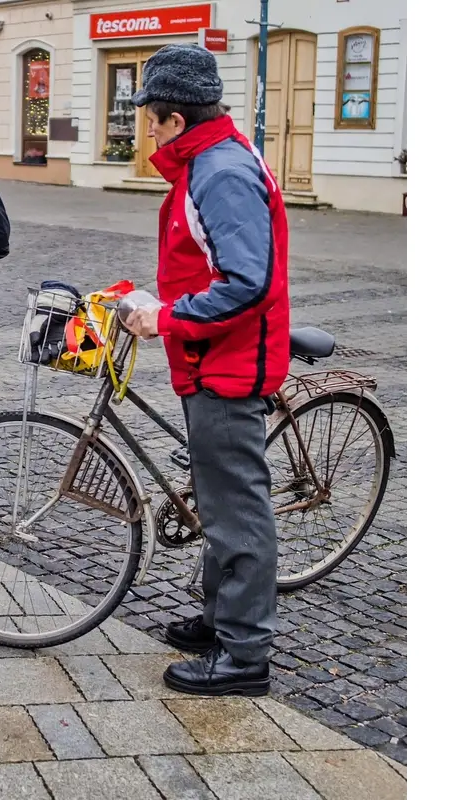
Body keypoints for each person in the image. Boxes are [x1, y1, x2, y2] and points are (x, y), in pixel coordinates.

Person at [121, 44, 291, 697]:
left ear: (174, 118)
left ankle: (244, 654)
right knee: (221, 498)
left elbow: (248, 283)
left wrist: (166, 317)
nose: (147, 130)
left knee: (237, 509)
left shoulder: (217, 173)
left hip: (226, 361)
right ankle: (222, 619)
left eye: (151, 119)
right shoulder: (214, 158)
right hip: (210, 357)